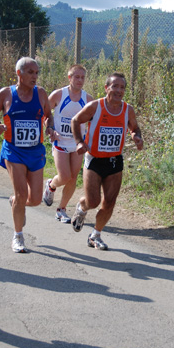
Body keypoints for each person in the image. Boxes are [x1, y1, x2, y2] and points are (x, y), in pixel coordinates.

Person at [0, 57, 56, 253]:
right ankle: (18, 236)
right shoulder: (6, 94)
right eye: (30, 72)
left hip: (35, 151)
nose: (35, 76)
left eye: (36, 73)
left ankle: (15, 202)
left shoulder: (41, 93)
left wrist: (49, 127)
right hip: (13, 150)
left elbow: (49, 115)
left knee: (34, 200)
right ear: (19, 73)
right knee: (21, 193)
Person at [70, 72, 143, 250]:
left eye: (122, 87)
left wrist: (136, 136)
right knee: (93, 201)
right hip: (94, 160)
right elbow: (75, 120)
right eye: (115, 86)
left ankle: (95, 235)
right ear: (106, 88)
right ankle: (82, 206)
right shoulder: (95, 106)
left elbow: (135, 127)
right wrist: (80, 142)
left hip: (114, 161)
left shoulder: (128, 109)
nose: (119, 90)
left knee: (109, 202)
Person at [43, 64, 93, 223]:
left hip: (77, 144)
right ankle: (51, 185)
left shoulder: (88, 99)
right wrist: (50, 128)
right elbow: (45, 113)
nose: (80, 80)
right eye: (76, 77)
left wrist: (90, 140)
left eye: (82, 77)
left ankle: (61, 209)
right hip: (60, 141)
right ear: (69, 78)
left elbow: (94, 121)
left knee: (72, 179)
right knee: (64, 176)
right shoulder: (58, 95)